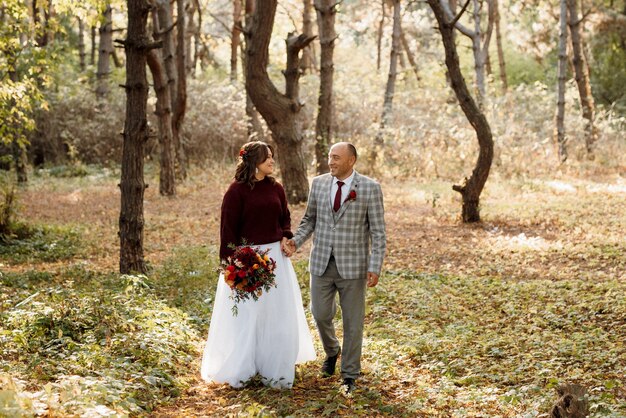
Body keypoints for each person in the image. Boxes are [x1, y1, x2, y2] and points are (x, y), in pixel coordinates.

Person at [200, 141, 316, 389]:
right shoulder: (236, 192)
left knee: (276, 314)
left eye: (273, 157)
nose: (273, 161)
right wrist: (231, 267)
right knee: (248, 314)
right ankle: (243, 366)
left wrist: (286, 236)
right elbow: (227, 231)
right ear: (254, 161)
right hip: (247, 260)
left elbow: (284, 219)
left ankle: (273, 367)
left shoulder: (276, 188)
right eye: (267, 158)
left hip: (275, 259)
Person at [284, 142, 386, 393]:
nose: (331, 161)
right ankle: (332, 351)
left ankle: (349, 373)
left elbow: (378, 232)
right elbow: (310, 219)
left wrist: (375, 266)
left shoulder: (370, 188)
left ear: (351, 160)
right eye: (330, 156)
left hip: (353, 267)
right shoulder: (318, 183)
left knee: (353, 322)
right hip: (321, 262)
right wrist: (295, 242)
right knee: (320, 314)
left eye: (336, 158)